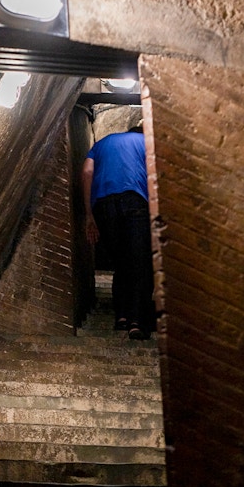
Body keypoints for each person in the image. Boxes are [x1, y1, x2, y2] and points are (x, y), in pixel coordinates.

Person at [81, 121, 154, 340]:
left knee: (122, 263)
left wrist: (89, 215)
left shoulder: (101, 144)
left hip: (103, 206)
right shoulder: (146, 142)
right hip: (135, 201)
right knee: (140, 262)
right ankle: (136, 322)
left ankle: (121, 316)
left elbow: (86, 172)